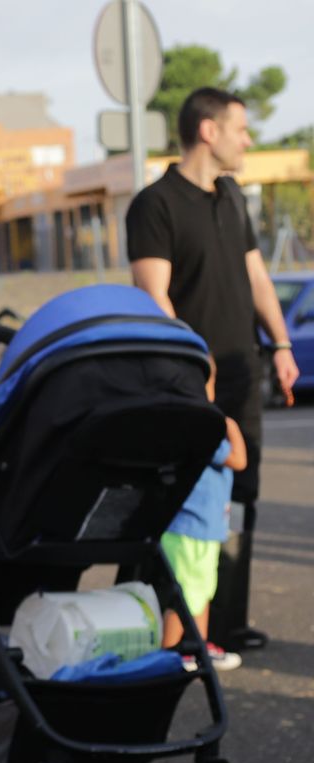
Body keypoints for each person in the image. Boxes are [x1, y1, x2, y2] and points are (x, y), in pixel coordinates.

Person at [127, 87, 299, 655]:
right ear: (209, 131)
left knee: (238, 498)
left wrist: (280, 343)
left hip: (242, 371)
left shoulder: (231, 197)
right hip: (186, 381)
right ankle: (158, 631)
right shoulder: (155, 204)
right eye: (241, 129)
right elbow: (155, 297)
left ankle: (223, 626)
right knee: (174, 507)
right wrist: (189, 368)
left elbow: (256, 279)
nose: (248, 140)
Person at [160, 358, 248, 670]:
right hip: (191, 527)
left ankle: (199, 645)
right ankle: (168, 654)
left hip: (202, 526)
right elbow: (238, 460)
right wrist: (232, 428)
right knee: (185, 594)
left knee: (201, 590)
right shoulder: (202, 423)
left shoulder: (184, 418)